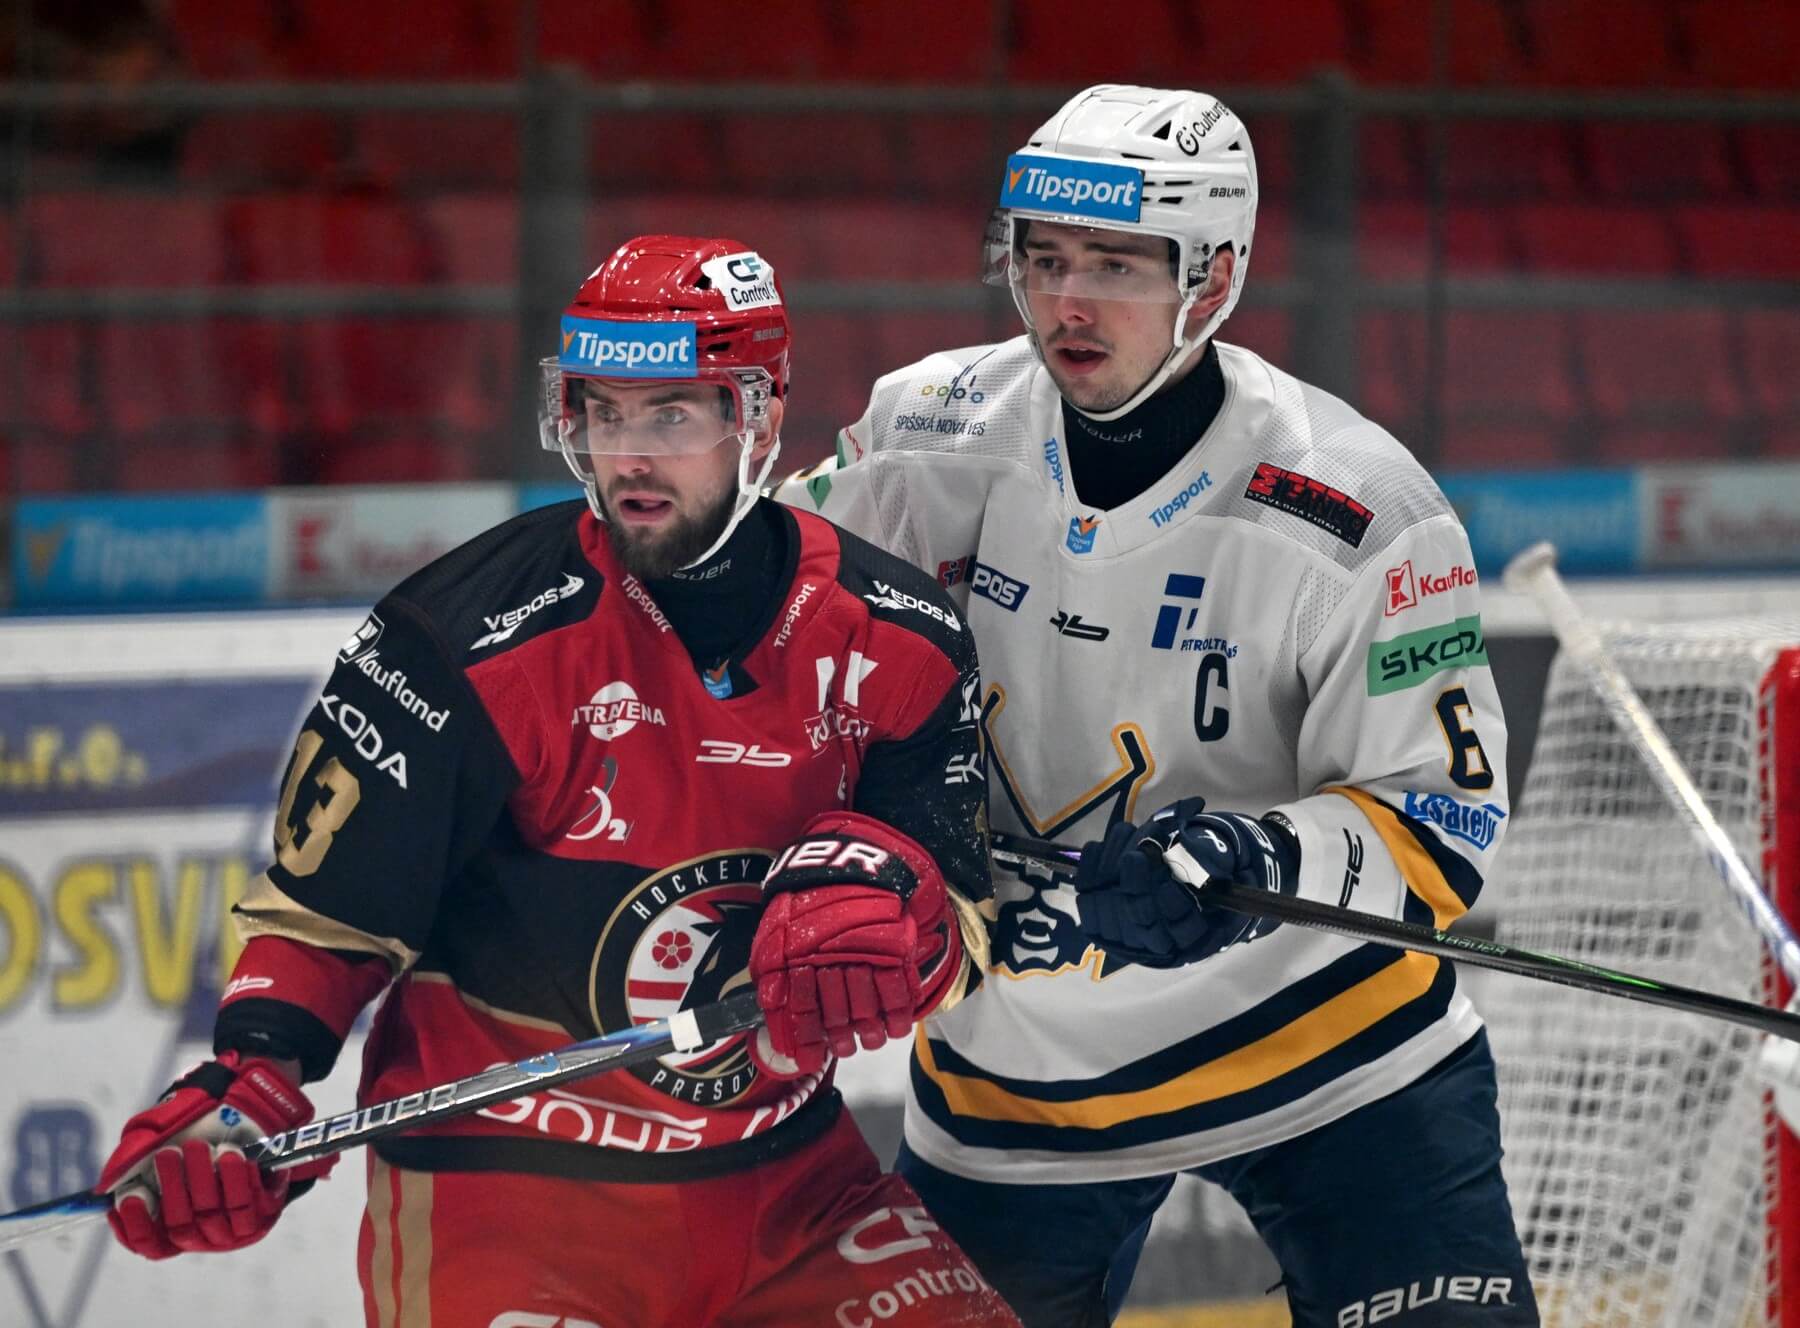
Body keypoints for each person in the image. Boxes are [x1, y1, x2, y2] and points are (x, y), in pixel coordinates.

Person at [96, 234, 1021, 1328]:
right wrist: (253, 1077)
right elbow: (329, 913)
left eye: (671, 416)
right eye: (601, 412)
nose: (628, 455)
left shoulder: (902, 636)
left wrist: (905, 927)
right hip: (506, 1187)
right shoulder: (465, 637)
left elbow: (963, 921)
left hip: (789, 1185)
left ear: (761, 419)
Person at [778, 84, 1539, 1327]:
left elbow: (1444, 815)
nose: (1068, 303)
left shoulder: (1357, 503)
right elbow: (765, 647)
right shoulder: (927, 433)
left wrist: (1258, 858)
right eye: (1044, 259)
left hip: (1332, 1051)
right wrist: (848, 845)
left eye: (1116, 265)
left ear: (1215, 275)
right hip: (1025, 1081)